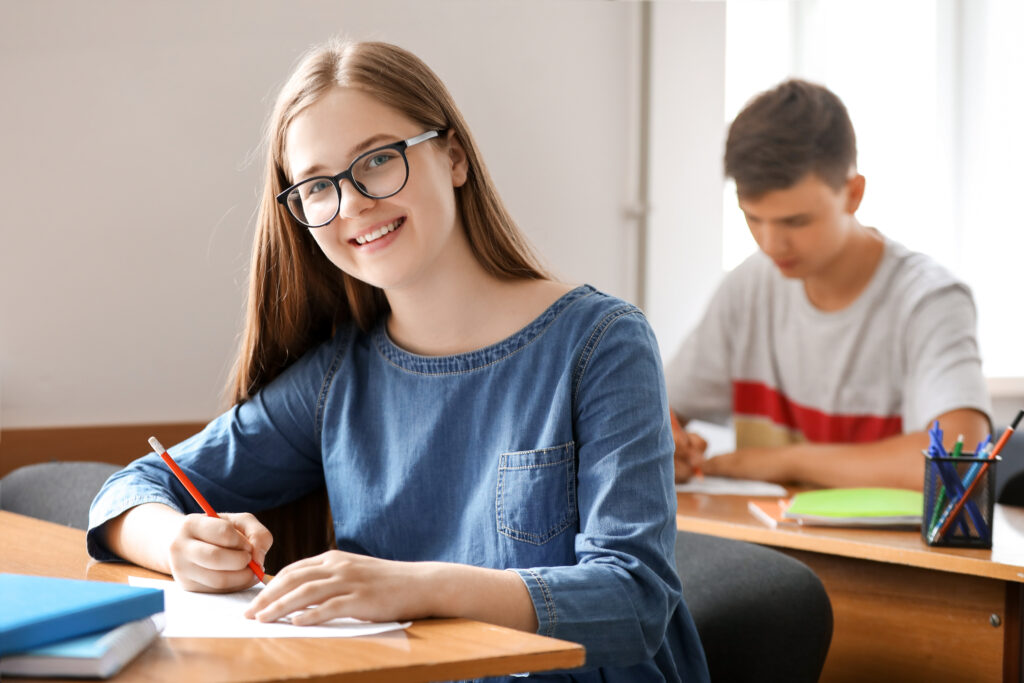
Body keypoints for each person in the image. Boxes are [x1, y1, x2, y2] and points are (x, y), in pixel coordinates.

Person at [86, 40, 709, 682]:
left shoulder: (601, 343)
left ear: (454, 156)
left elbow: (633, 600)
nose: (351, 203)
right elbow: (128, 491)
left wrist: (416, 587)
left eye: (378, 161)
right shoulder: (337, 378)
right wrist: (175, 544)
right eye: (317, 187)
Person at [668, 79, 990, 490]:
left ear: (853, 194)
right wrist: (664, 442)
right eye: (752, 218)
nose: (770, 243)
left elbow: (957, 464)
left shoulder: (928, 300)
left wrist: (786, 462)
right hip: (763, 541)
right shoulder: (748, 284)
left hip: (876, 553)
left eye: (796, 221)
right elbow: (655, 409)